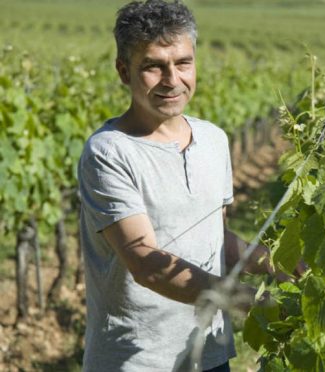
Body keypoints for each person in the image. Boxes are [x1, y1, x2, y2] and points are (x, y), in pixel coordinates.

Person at [78, 1, 268, 370]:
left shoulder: (214, 140)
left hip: (209, 352)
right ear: (123, 71)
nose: (172, 80)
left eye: (183, 63)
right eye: (153, 66)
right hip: (136, 359)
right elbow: (146, 263)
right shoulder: (108, 153)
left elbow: (219, 240)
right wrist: (248, 300)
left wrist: (275, 264)